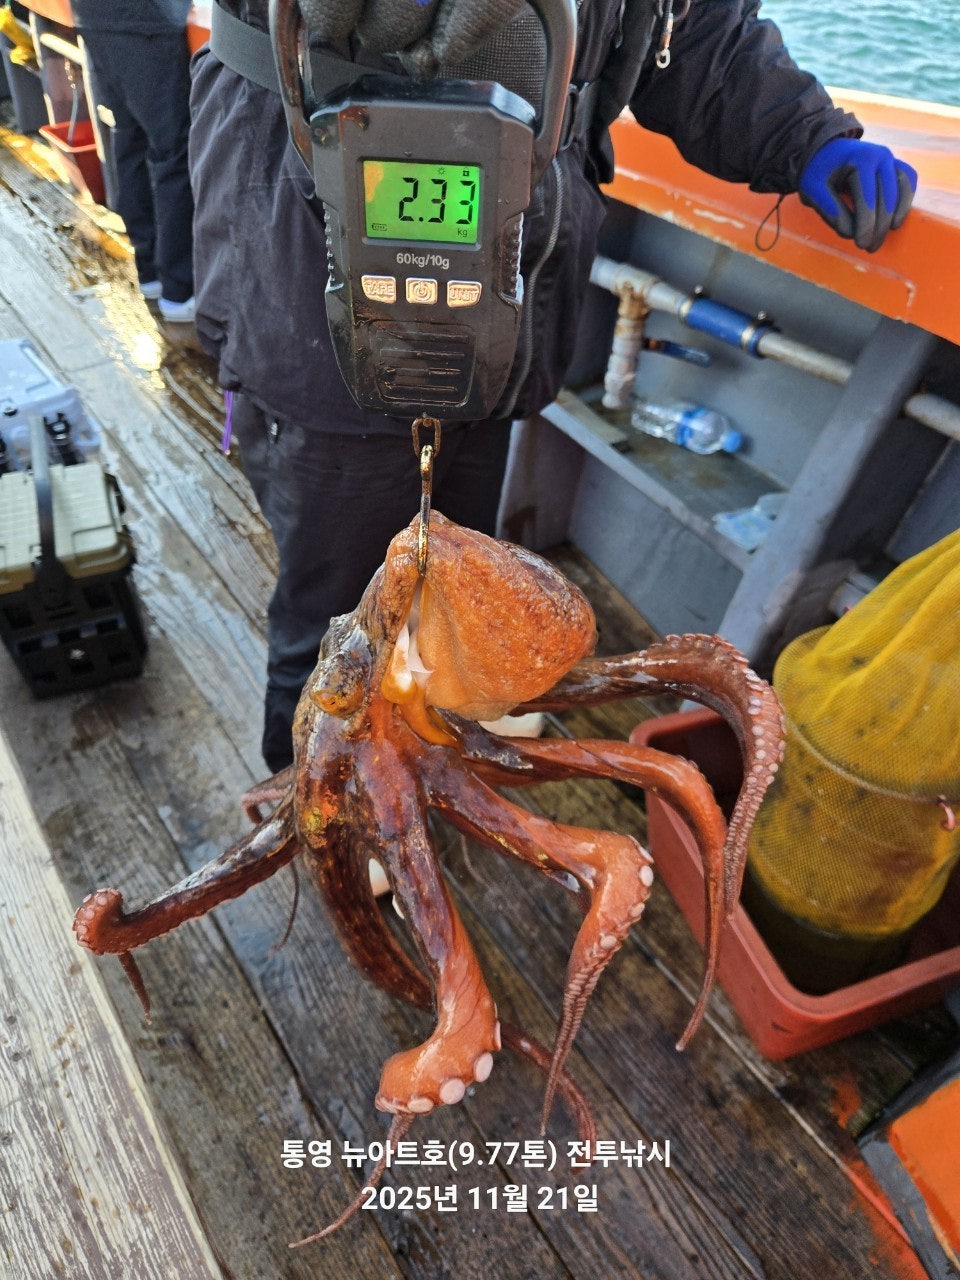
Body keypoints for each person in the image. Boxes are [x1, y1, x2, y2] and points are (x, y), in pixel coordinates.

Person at [189, 0, 917, 774]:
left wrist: (802, 132)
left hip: (514, 280)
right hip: (311, 241)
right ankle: (314, 805)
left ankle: (426, 771)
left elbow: (693, 30)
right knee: (335, 621)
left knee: (457, 588)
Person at [71, 0, 196, 321]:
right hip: (148, 19)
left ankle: (151, 272)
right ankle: (179, 290)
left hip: (94, 15)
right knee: (171, 152)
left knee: (130, 139)